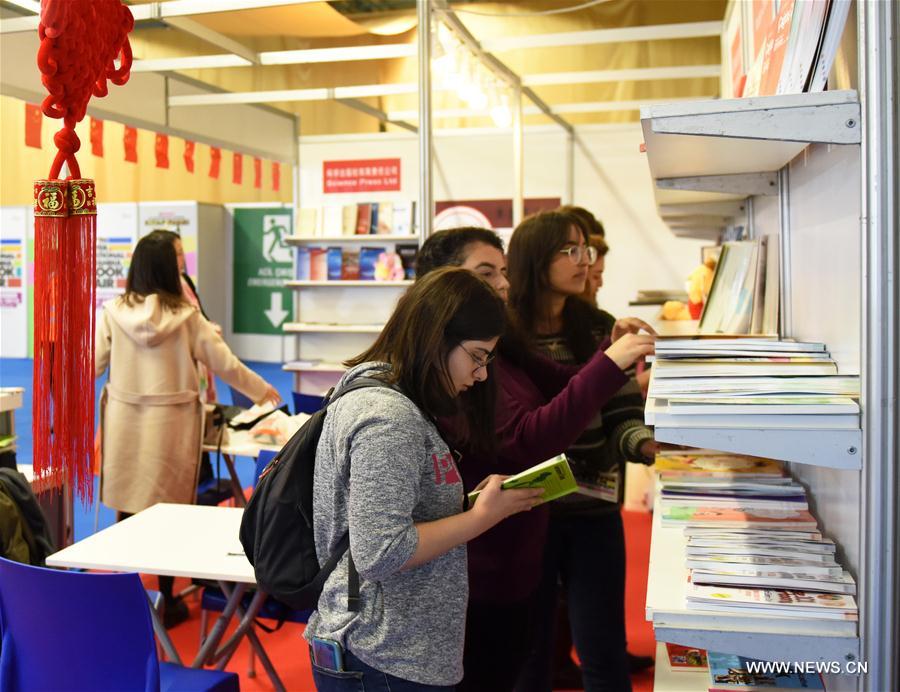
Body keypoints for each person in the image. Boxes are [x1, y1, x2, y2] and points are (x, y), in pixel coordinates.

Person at [414, 228, 655, 691]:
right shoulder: (456, 363)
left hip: (520, 548)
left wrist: (609, 356)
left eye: (503, 273)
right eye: (487, 274)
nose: (502, 285)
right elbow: (527, 439)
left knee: (550, 654)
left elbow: (567, 384)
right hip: (485, 564)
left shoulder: (504, 344)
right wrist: (610, 362)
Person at [304, 267, 545, 691]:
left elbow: (393, 519)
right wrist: (481, 518)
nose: (481, 373)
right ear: (437, 337)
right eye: (476, 355)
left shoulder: (391, 400)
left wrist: (470, 506)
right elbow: (381, 551)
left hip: (388, 647)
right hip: (383, 653)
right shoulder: (389, 417)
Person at [95, 230, 280, 626]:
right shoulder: (187, 317)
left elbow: (91, 365)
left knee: (127, 507)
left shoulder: (111, 312)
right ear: (166, 266)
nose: (184, 263)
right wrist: (261, 389)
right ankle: (166, 596)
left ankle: (127, 595)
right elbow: (225, 364)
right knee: (169, 512)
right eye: (178, 256)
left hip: (125, 422)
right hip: (172, 425)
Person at [509, 210, 658, 692]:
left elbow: (620, 413)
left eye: (586, 251)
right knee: (528, 655)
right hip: (526, 511)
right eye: (570, 251)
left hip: (593, 508)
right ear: (535, 259)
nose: (584, 261)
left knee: (604, 650)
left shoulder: (599, 326)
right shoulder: (506, 334)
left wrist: (646, 446)